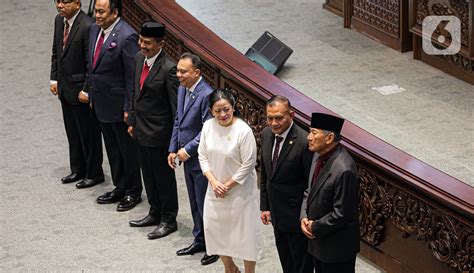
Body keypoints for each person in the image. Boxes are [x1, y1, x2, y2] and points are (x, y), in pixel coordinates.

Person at [84, 0, 142, 211]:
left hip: (119, 106)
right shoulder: (94, 30)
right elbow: (92, 66)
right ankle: (120, 186)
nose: (97, 15)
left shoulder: (127, 36)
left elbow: (131, 77)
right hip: (101, 103)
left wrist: (129, 108)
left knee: (127, 151)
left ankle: (133, 191)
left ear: (114, 12)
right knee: (112, 149)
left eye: (101, 12)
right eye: (96, 11)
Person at [198, 89, 263, 273]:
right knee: (215, 231)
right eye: (217, 111)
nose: (223, 114)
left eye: (226, 109)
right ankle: (230, 268)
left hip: (240, 193)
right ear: (211, 111)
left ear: (233, 107)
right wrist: (213, 181)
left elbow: (249, 164)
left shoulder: (243, 130)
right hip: (215, 190)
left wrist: (226, 185)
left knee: (245, 237)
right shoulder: (208, 127)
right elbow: (202, 156)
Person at [127, 22, 180, 239]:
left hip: (160, 135)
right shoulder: (139, 58)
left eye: (147, 43)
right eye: (141, 41)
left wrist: (174, 143)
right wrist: (131, 119)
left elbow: (175, 107)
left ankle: (169, 219)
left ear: (161, 44)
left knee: (163, 179)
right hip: (140, 130)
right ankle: (154, 211)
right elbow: (135, 91)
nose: (142, 46)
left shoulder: (169, 69)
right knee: (148, 175)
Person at [167, 52, 218, 266]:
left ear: (196, 72)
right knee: (194, 202)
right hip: (186, 157)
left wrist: (186, 150)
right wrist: (173, 148)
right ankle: (199, 239)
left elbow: (207, 130)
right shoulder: (182, 89)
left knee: (206, 203)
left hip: (202, 160)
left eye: (183, 71)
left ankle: (214, 246)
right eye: (177, 70)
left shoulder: (207, 94)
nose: (178, 74)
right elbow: (178, 120)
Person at [50, 0, 104, 188]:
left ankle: (94, 173)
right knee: (72, 132)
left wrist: (87, 89)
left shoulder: (88, 26)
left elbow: (92, 63)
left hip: (81, 91)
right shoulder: (59, 21)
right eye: (57, 1)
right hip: (65, 89)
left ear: (77, 3)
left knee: (88, 134)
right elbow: (56, 53)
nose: (60, 5)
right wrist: (54, 79)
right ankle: (78, 169)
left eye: (65, 2)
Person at [300, 113, 359, 273]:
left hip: (337, 249)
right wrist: (304, 216)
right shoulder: (317, 155)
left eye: (313, 132)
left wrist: (315, 226)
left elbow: (341, 214)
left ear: (329, 137)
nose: (308, 137)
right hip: (318, 243)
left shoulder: (344, 169)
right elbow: (309, 190)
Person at [260, 96, 313, 273]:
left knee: (301, 265)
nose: (274, 123)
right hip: (276, 214)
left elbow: (310, 184)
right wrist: (265, 206)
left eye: (279, 118)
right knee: (286, 262)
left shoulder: (304, 142)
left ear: (292, 114)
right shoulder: (266, 134)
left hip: (296, 217)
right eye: (270, 118)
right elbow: (266, 174)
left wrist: (305, 215)